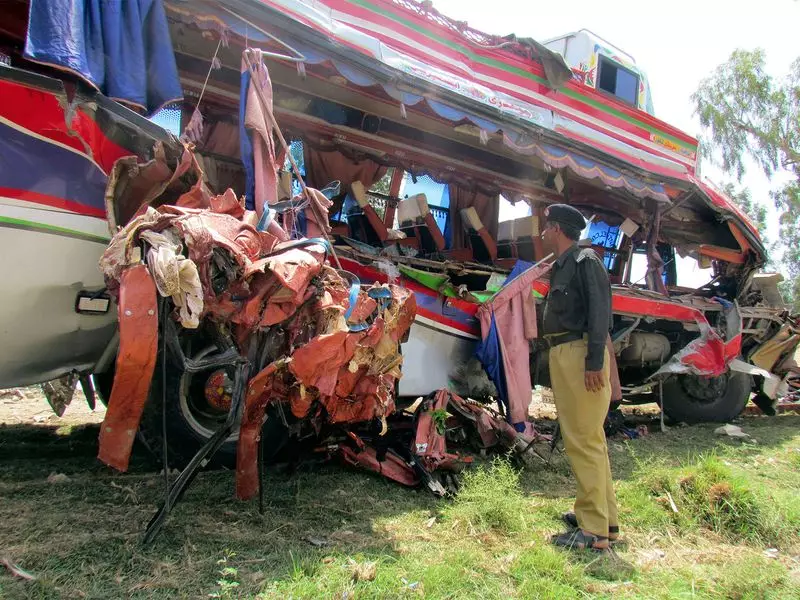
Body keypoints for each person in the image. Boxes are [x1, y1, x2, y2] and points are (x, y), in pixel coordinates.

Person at [540, 204, 619, 552]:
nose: (542, 232)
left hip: (579, 353)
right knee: (591, 439)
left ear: (557, 229)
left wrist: (592, 363)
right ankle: (605, 520)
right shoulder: (564, 265)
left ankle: (592, 530)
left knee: (582, 440)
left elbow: (600, 312)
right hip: (566, 353)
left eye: (546, 227)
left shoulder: (585, 262)